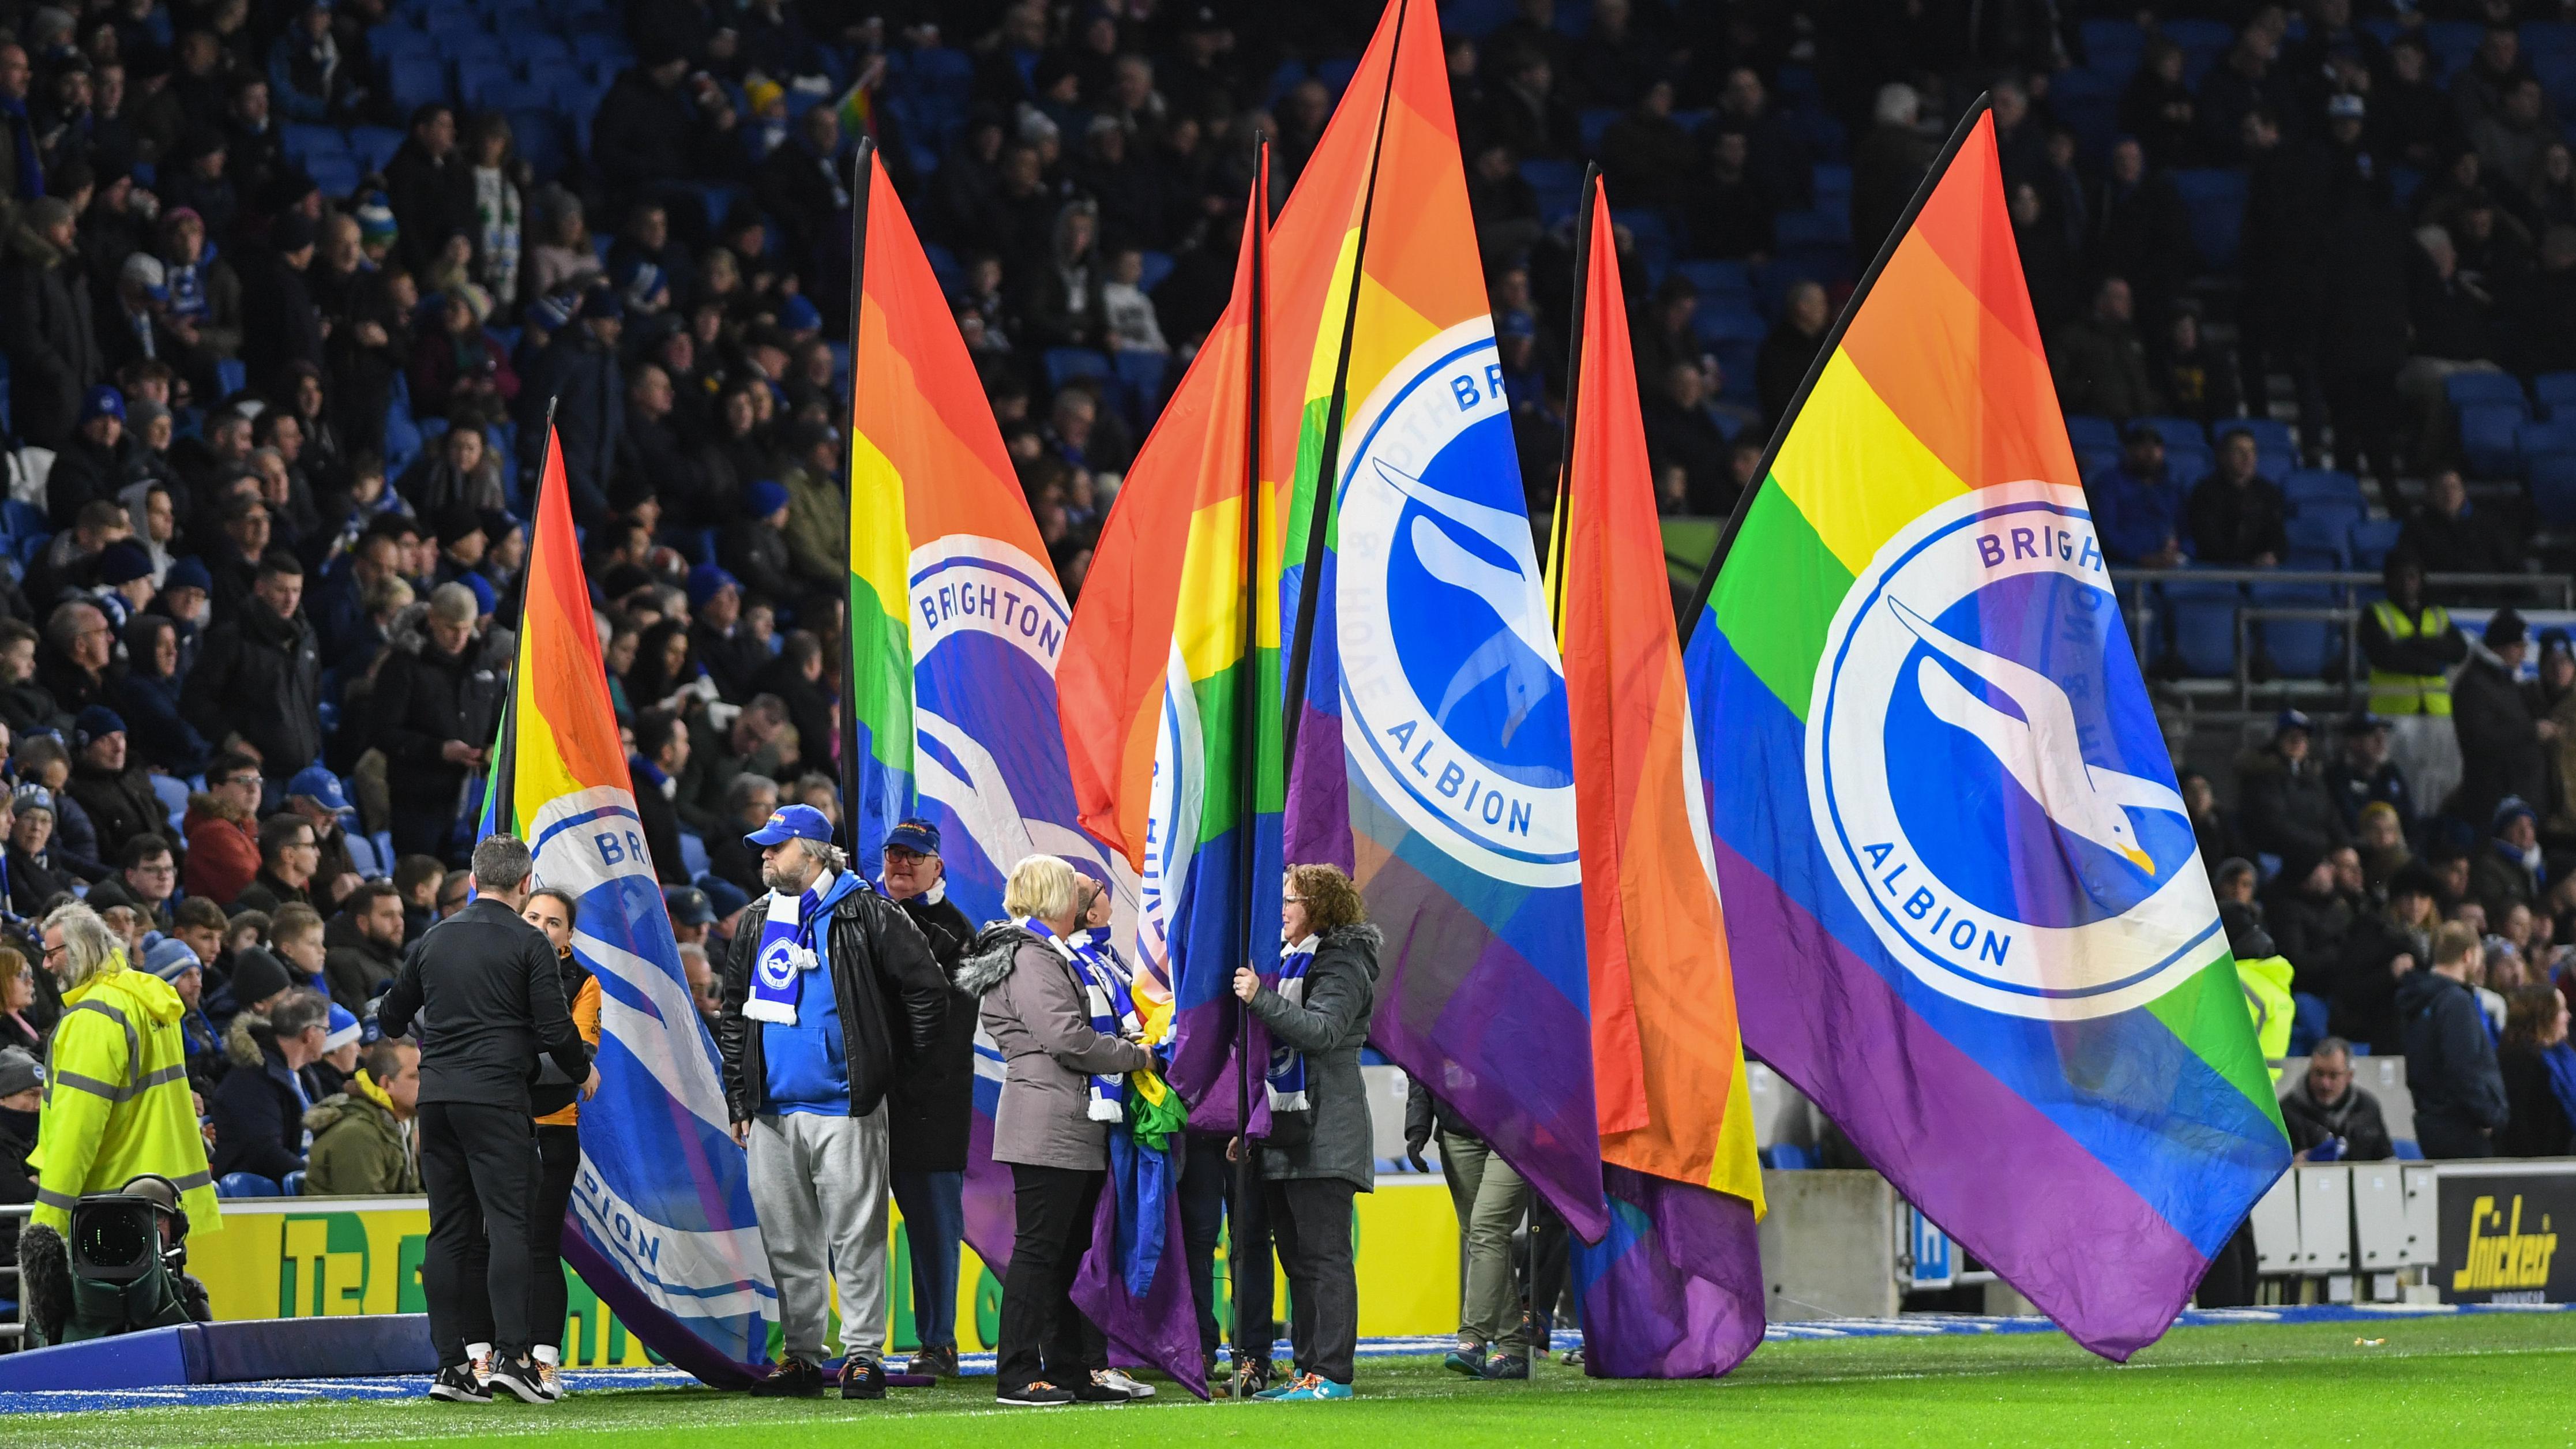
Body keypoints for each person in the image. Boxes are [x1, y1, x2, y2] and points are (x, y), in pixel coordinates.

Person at [715, 804, 944, 1401]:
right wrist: (740, 1094)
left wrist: (888, 1071)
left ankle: (863, 1354)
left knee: (856, 1236)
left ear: (813, 852)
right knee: (787, 1239)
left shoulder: (866, 910)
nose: (764, 855)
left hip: (846, 1105)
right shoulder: (758, 917)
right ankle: (801, 1356)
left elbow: (927, 989)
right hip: (771, 1110)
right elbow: (735, 1007)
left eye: (776, 846)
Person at [375, 834, 592, 1406]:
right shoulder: (529, 942)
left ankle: (452, 1366)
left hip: (437, 1101)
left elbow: (391, 1018)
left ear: (473, 880)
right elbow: (553, 1030)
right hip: (496, 1100)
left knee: (448, 1232)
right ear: (525, 885)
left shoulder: (434, 938)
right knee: (511, 1227)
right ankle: (514, 1359)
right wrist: (581, 1068)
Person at [957, 854, 1155, 1408]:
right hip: (1049, 1120)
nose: (1083, 896)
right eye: (1073, 887)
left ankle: (1067, 1369)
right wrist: (1139, 1057)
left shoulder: (1045, 953)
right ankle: (1018, 1374)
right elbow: (1068, 1039)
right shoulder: (1031, 957)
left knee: (1066, 1254)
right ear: (1054, 897)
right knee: (1041, 1252)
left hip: (1067, 1121)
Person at [17, 902, 220, 1347]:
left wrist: (47, 1223)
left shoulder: (94, 1017)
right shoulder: (146, 1001)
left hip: (107, 1213)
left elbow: (77, 1130)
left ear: (82, 949)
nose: (46, 964)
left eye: (53, 953)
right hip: (158, 1201)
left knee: (95, 1356)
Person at [1227, 864, 1381, 1401]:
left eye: (1291, 899)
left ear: (1320, 906)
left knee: (1323, 1257)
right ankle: (1308, 1370)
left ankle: (1332, 1373)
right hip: (1288, 1131)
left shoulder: (1343, 961)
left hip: (1326, 1132)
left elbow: (1321, 1031)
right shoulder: (1293, 959)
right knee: (1298, 1259)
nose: (1283, 909)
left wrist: (1258, 998)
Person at [876, 819, 975, 1380]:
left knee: (934, 1228)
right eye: (894, 853)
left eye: (914, 856)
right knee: (851, 1223)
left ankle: (938, 1341)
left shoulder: (958, 933)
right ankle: (854, 1341)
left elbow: (950, 1027)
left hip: (927, 1103)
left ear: (938, 865)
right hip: (868, 1100)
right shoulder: (863, 914)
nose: (901, 864)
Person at [521, 886, 599, 1399]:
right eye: (533, 916)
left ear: (569, 935)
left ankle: (545, 1363)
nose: (542, 928)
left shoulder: (584, 982)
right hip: (495, 1128)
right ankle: (487, 1361)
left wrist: (495, 1064)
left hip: (552, 1128)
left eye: (553, 922)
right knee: (485, 1246)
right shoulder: (494, 964)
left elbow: (569, 1064)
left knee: (540, 1248)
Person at [2401, 920, 2510, 1159]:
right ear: (2468, 956)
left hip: (2433, 1122)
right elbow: (2463, 1068)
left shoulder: (2421, 999)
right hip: (2462, 1129)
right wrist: (2489, 1116)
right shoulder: (2455, 1002)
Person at [206, 988, 329, 1183]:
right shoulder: (252, 1080)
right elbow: (265, 1152)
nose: (327, 1037)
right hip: (263, 1200)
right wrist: (321, 1176)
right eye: (326, 1030)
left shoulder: (305, 1075)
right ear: (310, 1034)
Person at [2456, 610, 2550, 835]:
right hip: (2496, 803)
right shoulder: (2475, 684)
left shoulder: (2508, 681)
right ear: (2500, 647)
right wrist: (2532, 731)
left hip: (2520, 802)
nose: (2524, 654)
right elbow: (2480, 738)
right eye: (2519, 646)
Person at [302, 1039, 422, 1196]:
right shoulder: (359, 1135)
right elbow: (368, 1213)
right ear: (386, 1084)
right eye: (416, 1076)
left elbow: (411, 1195)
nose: (428, 1083)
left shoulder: (399, 1124)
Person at [2278, 1037, 2396, 1162]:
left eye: (2333, 1076)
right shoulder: (2287, 1111)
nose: (2325, 1084)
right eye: (2319, 1073)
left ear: (2349, 1076)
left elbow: (2387, 1158)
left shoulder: (2367, 1107)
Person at [2498, 984, 2576, 1156]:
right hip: (2536, 1165)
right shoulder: (2519, 1059)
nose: (2568, 1016)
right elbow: (2519, 1125)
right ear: (2543, 1016)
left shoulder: (2564, 1055)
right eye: (2562, 1010)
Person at [325, 883, 409, 1013]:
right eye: (388, 915)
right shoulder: (345, 961)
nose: (399, 923)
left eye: (400, 915)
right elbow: (363, 1020)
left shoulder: (394, 959)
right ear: (362, 923)